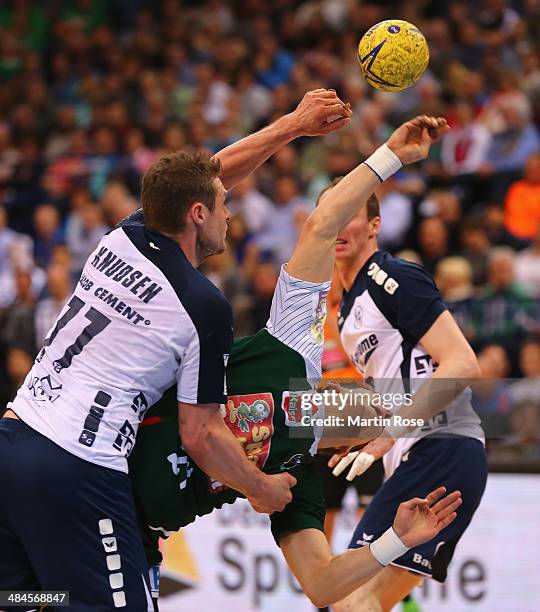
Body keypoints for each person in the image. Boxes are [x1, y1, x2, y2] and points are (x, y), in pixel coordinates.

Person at [0, 89, 352, 610]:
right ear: (197, 215)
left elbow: (206, 176)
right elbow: (201, 434)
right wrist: (259, 487)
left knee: (31, 598)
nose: (230, 212)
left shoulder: (122, 237)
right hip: (77, 468)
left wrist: (292, 127)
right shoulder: (202, 305)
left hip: (14, 439)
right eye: (224, 205)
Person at [131, 116, 462, 609]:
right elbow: (323, 224)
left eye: (376, 425)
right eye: (373, 400)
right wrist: (391, 156)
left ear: (348, 448)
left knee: (39, 596)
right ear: (339, 388)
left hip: (138, 530)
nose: (374, 413)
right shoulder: (293, 346)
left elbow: (321, 585)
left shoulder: (299, 478)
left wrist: (395, 540)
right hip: (99, 464)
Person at [327, 143, 488, 611]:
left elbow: (463, 365)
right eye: (330, 214)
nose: (338, 224)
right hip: (426, 454)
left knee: (348, 596)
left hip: (438, 446)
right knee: (367, 601)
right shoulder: (347, 307)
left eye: (350, 213)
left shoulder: (390, 275)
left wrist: (385, 437)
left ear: (375, 225)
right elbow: (393, 385)